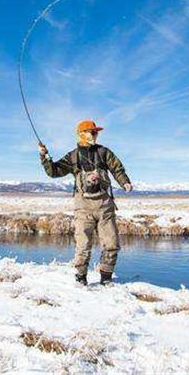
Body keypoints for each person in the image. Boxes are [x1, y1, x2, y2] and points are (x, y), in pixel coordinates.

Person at [38, 120, 132, 286]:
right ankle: (81, 278)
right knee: (83, 246)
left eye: (96, 132)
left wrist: (124, 182)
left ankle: (106, 279)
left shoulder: (104, 152)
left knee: (111, 244)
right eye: (92, 132)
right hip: (83, 207)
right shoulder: (73, 156)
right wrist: (44, 156)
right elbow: (53, 171)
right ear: (81, 134)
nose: (95, 135)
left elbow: (117, 169)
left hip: (105, 206)